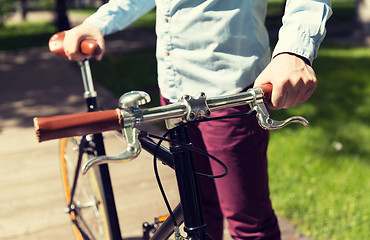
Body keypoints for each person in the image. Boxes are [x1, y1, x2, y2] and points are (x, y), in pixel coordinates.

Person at [63, 1, 332, 239]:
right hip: (173, 93)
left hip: (229, 93)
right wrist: (97, 22)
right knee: (197, 212)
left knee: (249, 224)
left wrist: (294, 51)